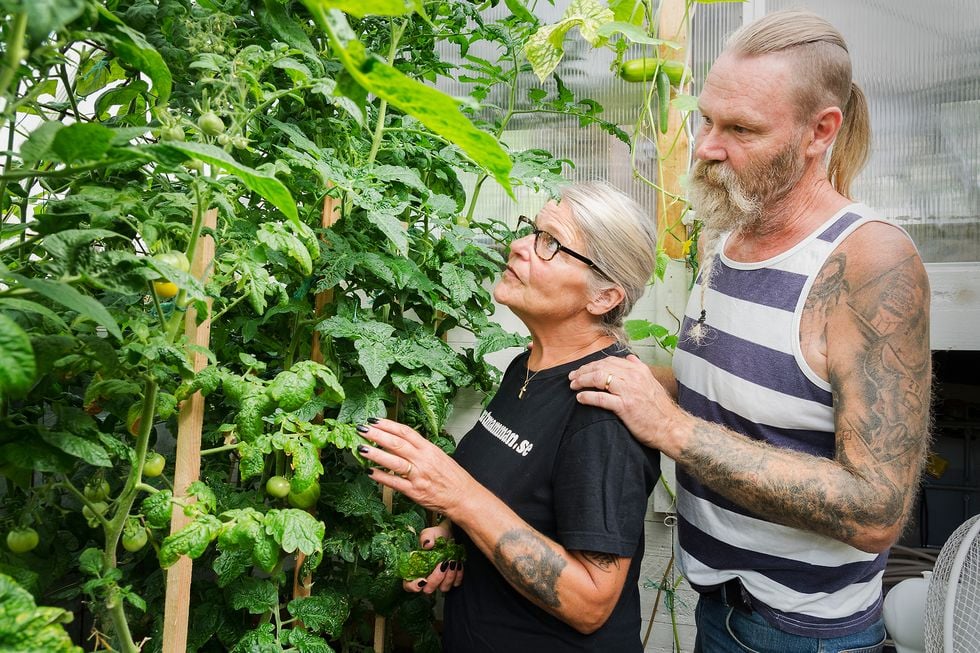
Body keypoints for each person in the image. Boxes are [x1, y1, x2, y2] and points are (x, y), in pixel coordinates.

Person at [569, 9, 931, 653]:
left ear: (820, 131)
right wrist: (613, 369)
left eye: (741, 129)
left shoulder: (868, 263)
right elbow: (736, 393)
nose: (708, 146)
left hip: (804, 634)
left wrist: (672, 429)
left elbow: (876, 511)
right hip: (721, 606)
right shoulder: (729, 228)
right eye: (707, 118)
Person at [354, 181, 662, 652]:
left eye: (550, 243)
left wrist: (456, 495)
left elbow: (591, 602)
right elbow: (518, 493)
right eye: (531, 231)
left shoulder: (602, 407)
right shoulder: (530, 366)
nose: (518, 246)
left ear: (604, 298)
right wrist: (455, 535)